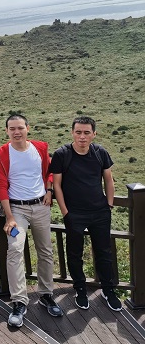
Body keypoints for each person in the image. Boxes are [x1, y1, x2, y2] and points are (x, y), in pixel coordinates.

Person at [0, 114, 63, 328]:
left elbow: (49, 172)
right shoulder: (2, 153)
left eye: (20, 128)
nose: (17, 132)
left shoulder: (40, 148)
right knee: (15, 249)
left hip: (41, 206)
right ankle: (19, 301)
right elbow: (2, 186)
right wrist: (9, 216)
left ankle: (46, 294)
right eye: (12, 128)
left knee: (46, 250)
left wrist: (49, 190)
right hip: (16, 209)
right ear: (6, 131)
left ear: (27, 128)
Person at [50, 116, 121, 311]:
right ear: (72, 133)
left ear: (94, 134)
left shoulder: (100, 153)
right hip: (74, 213)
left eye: (87, 132)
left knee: (104, 252)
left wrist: (109, 205)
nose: (82, 136)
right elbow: (57, 185)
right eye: (78, 132)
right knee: (74, 253)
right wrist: (65, 212)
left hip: (100, 212)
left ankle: (108, 289)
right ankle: (80, 289)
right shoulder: (62, 154)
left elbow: (109, 179)